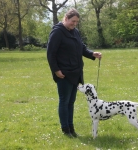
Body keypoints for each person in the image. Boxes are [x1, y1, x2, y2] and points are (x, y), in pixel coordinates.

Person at [47, 8, 102, 138]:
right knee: (64, 101)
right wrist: (56, 70)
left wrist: (92, 54)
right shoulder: (57, 32)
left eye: (76, 22)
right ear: (66, 18)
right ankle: (65, 130)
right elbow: (50, 54)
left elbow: (81, 47)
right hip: (64, 73)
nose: (74, 24)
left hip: (76, 72)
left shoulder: (75, 32)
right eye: (73, 21)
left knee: (71, 102)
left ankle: (71, 128)